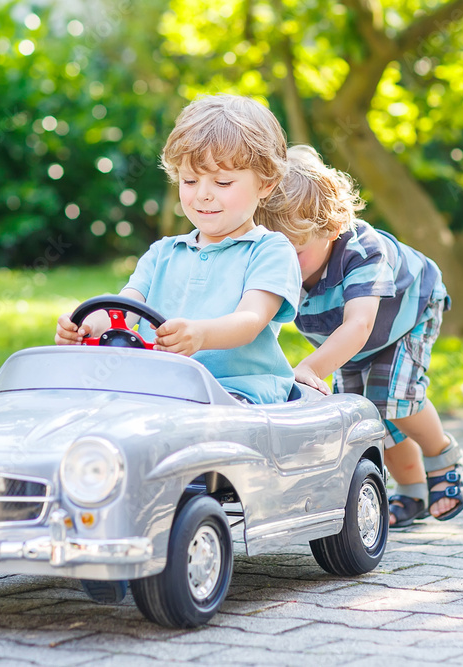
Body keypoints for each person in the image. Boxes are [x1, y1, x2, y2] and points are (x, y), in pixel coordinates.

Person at [55, 95, 301, 601]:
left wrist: (202, 335)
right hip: (160, 394)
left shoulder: (269, 250)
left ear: (266, 184)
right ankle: (88, 519)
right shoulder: (162, 253)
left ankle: (157, 539)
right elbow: (124, 306)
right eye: (191, 182)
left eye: (222, 182)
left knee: (178, 445)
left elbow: (252, 319)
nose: (204, 196)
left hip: (238, 395)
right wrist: (84, 324)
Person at [255, 145, 463, 528]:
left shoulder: (361, 251)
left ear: (331, 229)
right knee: (370, 416)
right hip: (349, 342)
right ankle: (411, 490)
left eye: (296, 252)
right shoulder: (277, 260)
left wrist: (311, 368)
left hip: (407, 314)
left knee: (393, 398)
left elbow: (359, 325)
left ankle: (443, 456)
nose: (285, 263)